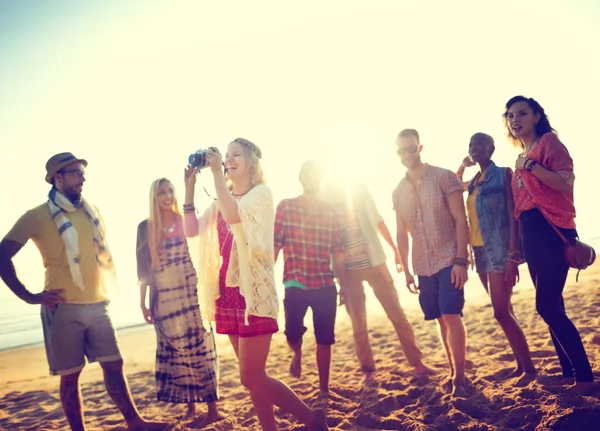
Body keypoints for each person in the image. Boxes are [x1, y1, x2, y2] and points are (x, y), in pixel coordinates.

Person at [0, 152, 167, 431]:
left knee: (115, 364)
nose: (83, 179)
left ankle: (135, 422)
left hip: (97, 304)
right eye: (76, 173)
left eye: (82, 173)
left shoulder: (91, 210)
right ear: (58, 178)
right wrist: (30, 296)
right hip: (63, 308)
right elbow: (3, 254)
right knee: (70, 377)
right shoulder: (36, 217)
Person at [183, 139, 328, 431]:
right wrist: (188, 187)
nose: (228, 159)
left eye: (236, 154)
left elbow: (234, 216)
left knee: (250, 377)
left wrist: (215, 176)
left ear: (251, 163)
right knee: (253, 374)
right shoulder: (220, 199)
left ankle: (312, 419)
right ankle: (269, 429)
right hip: (227, 294)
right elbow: (191, 230)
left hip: (254, 296)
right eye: (226, 156)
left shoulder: (261, 194)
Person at [504, 95, 596, 395]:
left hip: (553, 231)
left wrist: (529, 165)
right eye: (510, 115)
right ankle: (569, 372)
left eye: (521, 113)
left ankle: (584, 377)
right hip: (531, 236)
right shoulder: (522, 154)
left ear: (536, 116)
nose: (515, 119)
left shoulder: (547, 144)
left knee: (545, 306)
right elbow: (520, 207)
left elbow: (565, 182)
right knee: (554, 305)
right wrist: (515, 246)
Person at [322, 181, 435, 385]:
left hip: (375, 263)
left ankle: (417, 364)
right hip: (347, 273)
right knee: (359, 324)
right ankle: (368, 372)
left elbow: (378, 221)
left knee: (398, 315)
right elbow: (323, 240)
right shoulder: (324, 198)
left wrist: (396, 251)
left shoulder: (359, 190)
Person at [392, 129, 470, 396]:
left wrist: (461, 260)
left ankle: (459, 378)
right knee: (440, 320)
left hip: (449, 257)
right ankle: (452, 369)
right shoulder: (398, 192)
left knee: (451, 314)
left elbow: (461, 219)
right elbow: (401, 233)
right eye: (401, 151)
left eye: (411, 148)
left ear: (420, 148)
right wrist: (406, 271)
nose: (407, 154)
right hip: (422, 265)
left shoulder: (443, 177)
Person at [136, 178, 219, 424]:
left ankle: (212, 408)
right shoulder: (145, 227)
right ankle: (190, 405)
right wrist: (142, 302)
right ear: (154, 196)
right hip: (164, 300)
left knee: (201, 349)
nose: (168, 196)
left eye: (171, 190)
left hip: (191, 296)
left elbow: (202, 249)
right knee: (176, 352)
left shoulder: (184, 222)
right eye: (162, 192)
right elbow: (143, 269)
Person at [456, 133, 536, 379]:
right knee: (505, 310)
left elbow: (514, 215)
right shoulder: (473, 182)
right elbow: (451, 184)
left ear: (491, 148)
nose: (475, 148)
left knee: (500, 312)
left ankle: (530, 369)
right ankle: (521, 365)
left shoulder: (503, 175)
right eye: (471, 145)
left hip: (499, 250)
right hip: (479, 252)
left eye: (480, 143)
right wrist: (462, 165)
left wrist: (513, 256)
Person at [273, 161, 347, 395]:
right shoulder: (286, 207)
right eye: (308, 174)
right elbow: (275, 245)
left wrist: (343, 285)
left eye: (316, 174)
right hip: (295, 282)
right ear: (301, 178)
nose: (312, 177)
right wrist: (263, 282)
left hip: (325, 283)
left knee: (325, 339)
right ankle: (297, 352)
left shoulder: (331, 211)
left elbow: (338, 251)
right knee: (292, 333)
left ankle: (324, 389)